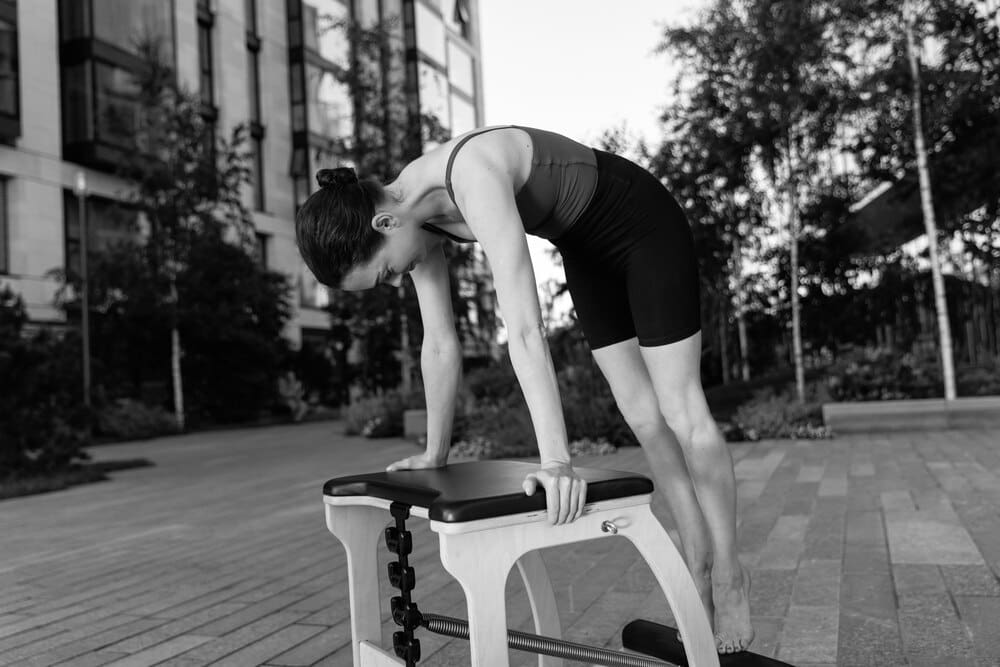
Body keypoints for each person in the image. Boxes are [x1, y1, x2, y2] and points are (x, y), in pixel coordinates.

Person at [294, 125, 753, 653]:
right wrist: (433, 452)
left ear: (384, 222)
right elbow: (440, 343)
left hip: (641, 223)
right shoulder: (413, 222)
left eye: (385, 272)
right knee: (643, 416)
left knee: (681, 409)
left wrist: (557, 462)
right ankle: (697, 559)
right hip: (583, 248)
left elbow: (526, 328)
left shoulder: (471, 175)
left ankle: (730, 573)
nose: (397, 280)